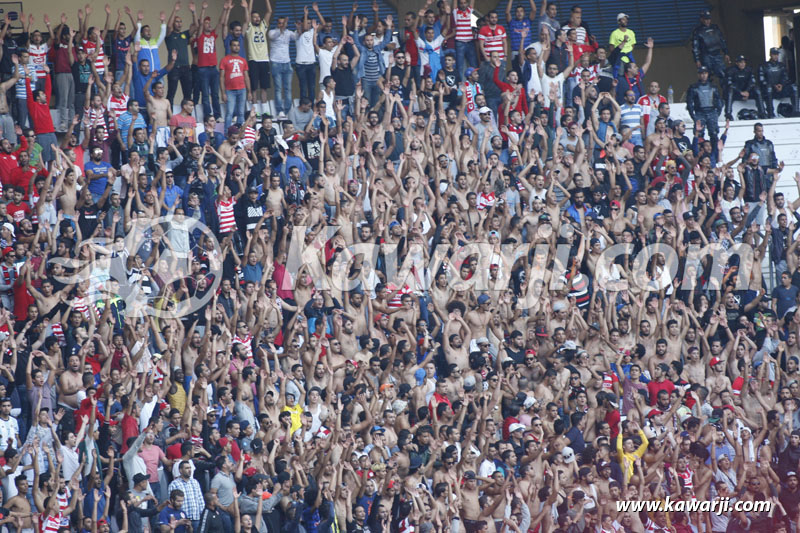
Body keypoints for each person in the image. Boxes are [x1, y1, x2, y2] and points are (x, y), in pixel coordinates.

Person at [686, 65, 723, 143]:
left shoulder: (713, 86)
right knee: (699, 134)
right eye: (701, 73)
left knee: (714, 133)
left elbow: (719, 100)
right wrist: (693, 116)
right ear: (698, 75)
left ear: (708, 74)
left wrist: (717, 113)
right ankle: (700, 153)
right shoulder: (693, 87)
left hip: (712, 111)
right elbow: (689, 103)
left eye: (705, 73)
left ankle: (714, 152)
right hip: (700, 112)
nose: (703, 75)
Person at [759, 47, 799, 118]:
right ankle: (770, 112)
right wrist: (773, 85)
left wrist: (781, 85)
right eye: (774, 54)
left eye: (777, 54)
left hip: (781, 89)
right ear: (770, 55)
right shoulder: (764, 66)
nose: (776, 56)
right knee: (768, 89)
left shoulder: (781, 65)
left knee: (794, 87)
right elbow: (762, 80)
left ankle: (796, 111)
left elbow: (785, 78)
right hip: (770, 90)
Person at [691, 9, 729, 81]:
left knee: (723, 75)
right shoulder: (698, 31)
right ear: (701, 19)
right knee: (707, 76)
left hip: (717, 54)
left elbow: (722, 40)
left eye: (708, 19)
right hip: (706, 55)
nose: (707, 21)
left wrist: (726, 52)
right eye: (705, 19)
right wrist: (697, 60)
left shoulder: (715, 27)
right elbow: (695, 47)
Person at [724, 55, 764, 119]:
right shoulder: (731, 70)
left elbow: (753, 82)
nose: (743, 64)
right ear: (736, 63)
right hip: (736, 93)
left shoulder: (749, 70)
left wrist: (747, 91)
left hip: (747, 93)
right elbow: (729, 84)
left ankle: (762, 113)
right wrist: (740, 92)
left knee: (757, 89)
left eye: (744, 62)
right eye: (741, 62)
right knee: (730, 90)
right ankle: (728, 114)